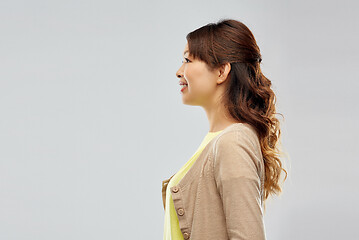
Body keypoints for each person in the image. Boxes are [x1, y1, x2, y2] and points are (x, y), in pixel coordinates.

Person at [162, 18, 288, 240]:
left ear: (221, 71)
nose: (179, 71)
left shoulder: (233, 141)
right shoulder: (219, 140)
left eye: (187, 60)